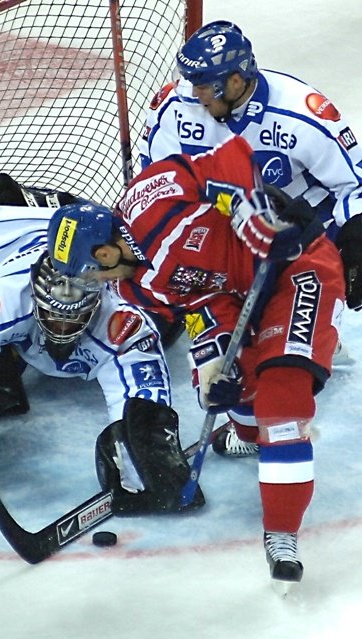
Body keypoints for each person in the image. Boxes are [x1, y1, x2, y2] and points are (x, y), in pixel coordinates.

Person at [50, 134, 345, 584]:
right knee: (234, 383)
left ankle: (282, 532)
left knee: (281, 400)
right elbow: (202, 309)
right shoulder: (134, 287)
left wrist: (255, 218)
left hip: (298, 265)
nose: (96, 284)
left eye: (91, 273)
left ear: (104, 252)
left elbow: (229, 159)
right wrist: (213, 368)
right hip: (243, 294)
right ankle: (249, 436)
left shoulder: (148, 201)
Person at [0, 174, 204, 514]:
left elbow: (141, 393)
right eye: (53, 314)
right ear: (35, 294)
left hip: (73, 223)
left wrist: (145, 447)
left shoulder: (120, 316)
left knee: (165, 326)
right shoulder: (8, 294)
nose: (62, 328)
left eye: (73, 317)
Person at [138, 19, 362, 455]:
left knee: (288, 330)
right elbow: (156, 183)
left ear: (237, 80)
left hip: (302, 233)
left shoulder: (301, 113)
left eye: (205, 84)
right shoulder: (175, 109)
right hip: (227, 237)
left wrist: (356, 244)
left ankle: (309, 338)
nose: (194, 93)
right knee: (231, 344)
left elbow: (355, 182)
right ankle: (249, 421)